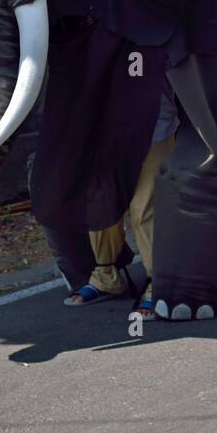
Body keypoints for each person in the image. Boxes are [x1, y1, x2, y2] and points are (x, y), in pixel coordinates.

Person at [64, 92, 177, 317]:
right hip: (102, 127)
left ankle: (161, 283)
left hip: (153, 121)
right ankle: (106, 275)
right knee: (100, 200)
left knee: (145, 205)